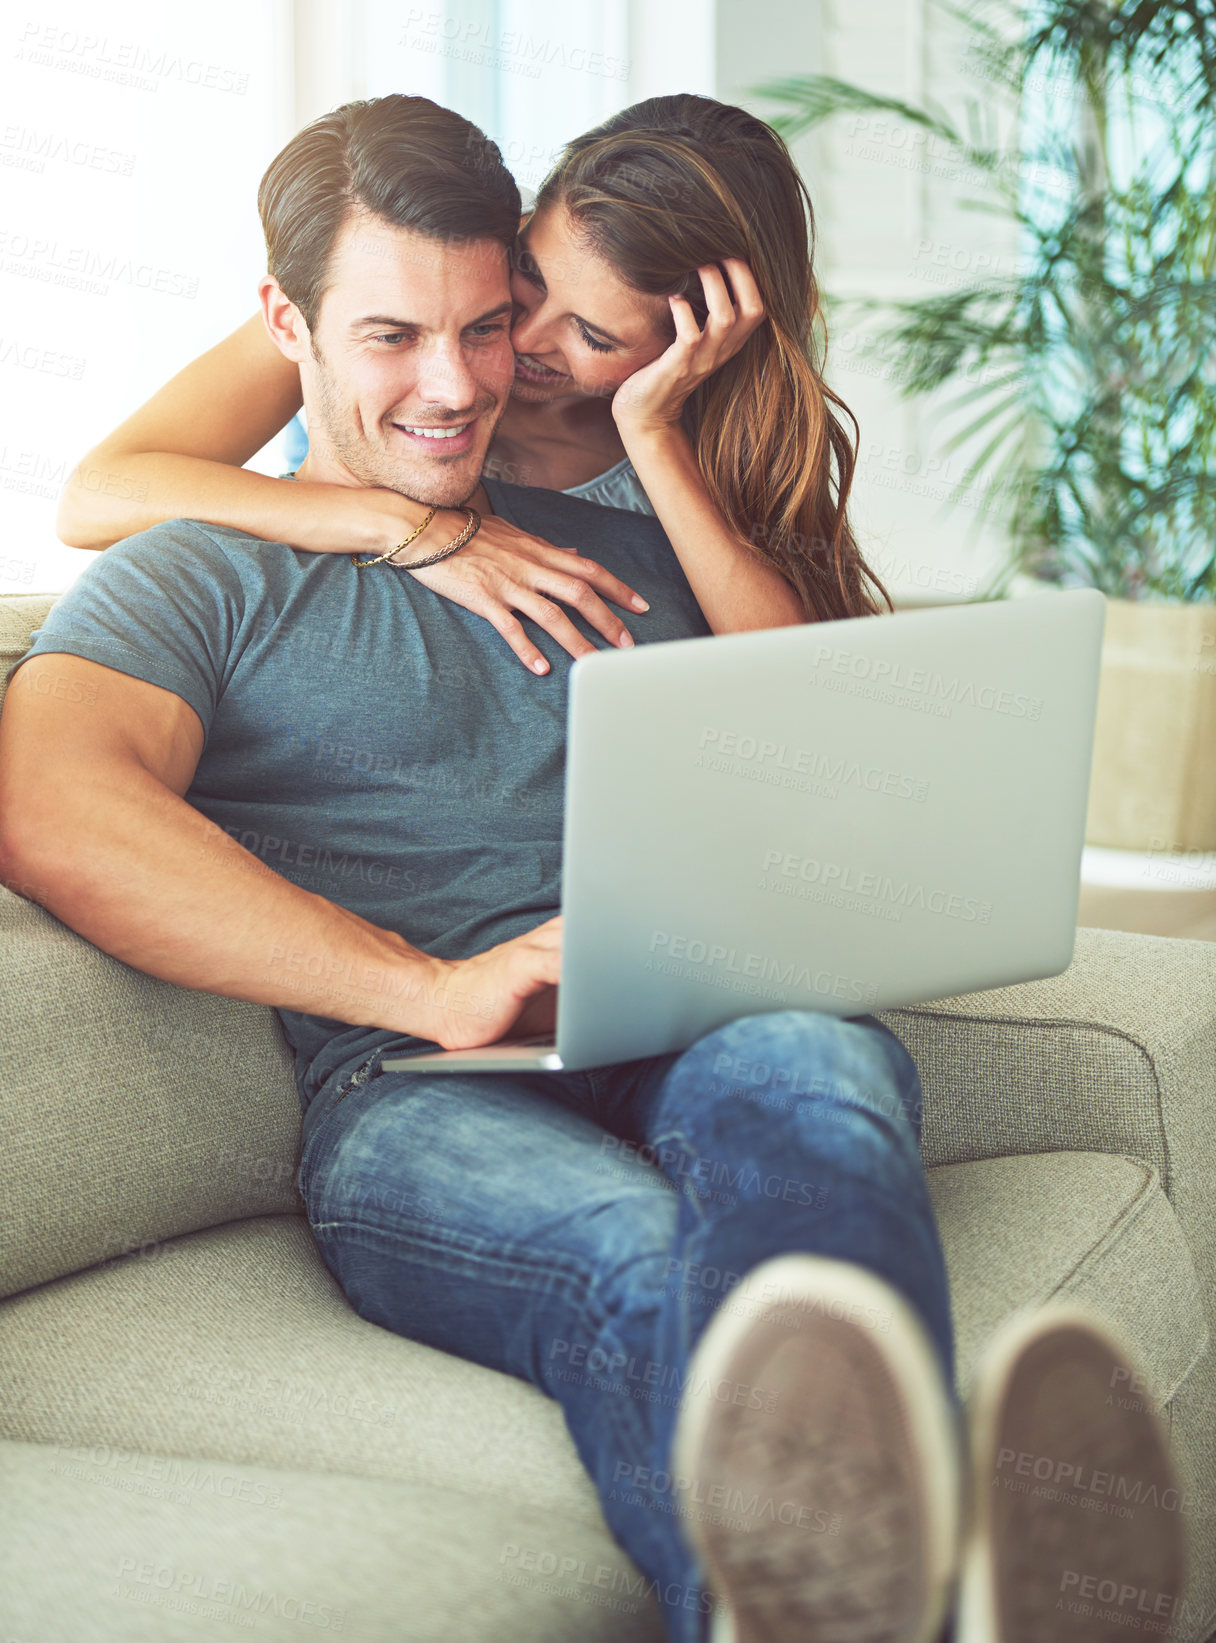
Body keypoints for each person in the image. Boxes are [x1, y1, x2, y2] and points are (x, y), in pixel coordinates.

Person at [0, 95, 1183, 1643]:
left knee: (821, 1081)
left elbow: (849, 754)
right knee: (633, 1255)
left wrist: (652, 448)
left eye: (492, 328)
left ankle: (868, 1594)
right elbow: (53, 808)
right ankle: (956, 1573)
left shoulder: (644, 532)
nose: (463, 381)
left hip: (688, 1014)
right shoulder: (209, 561)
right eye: (393, 338)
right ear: (286, 324)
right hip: (421, 1087)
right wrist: (426, 983)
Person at [57, 93, 889, 669]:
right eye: (529, 269)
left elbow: (794, 679)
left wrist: (651, 431)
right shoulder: (406, 298)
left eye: (594, 334)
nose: (521, 335)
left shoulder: (705, 431)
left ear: (698, 340)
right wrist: (402, 524)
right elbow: (96, 495)